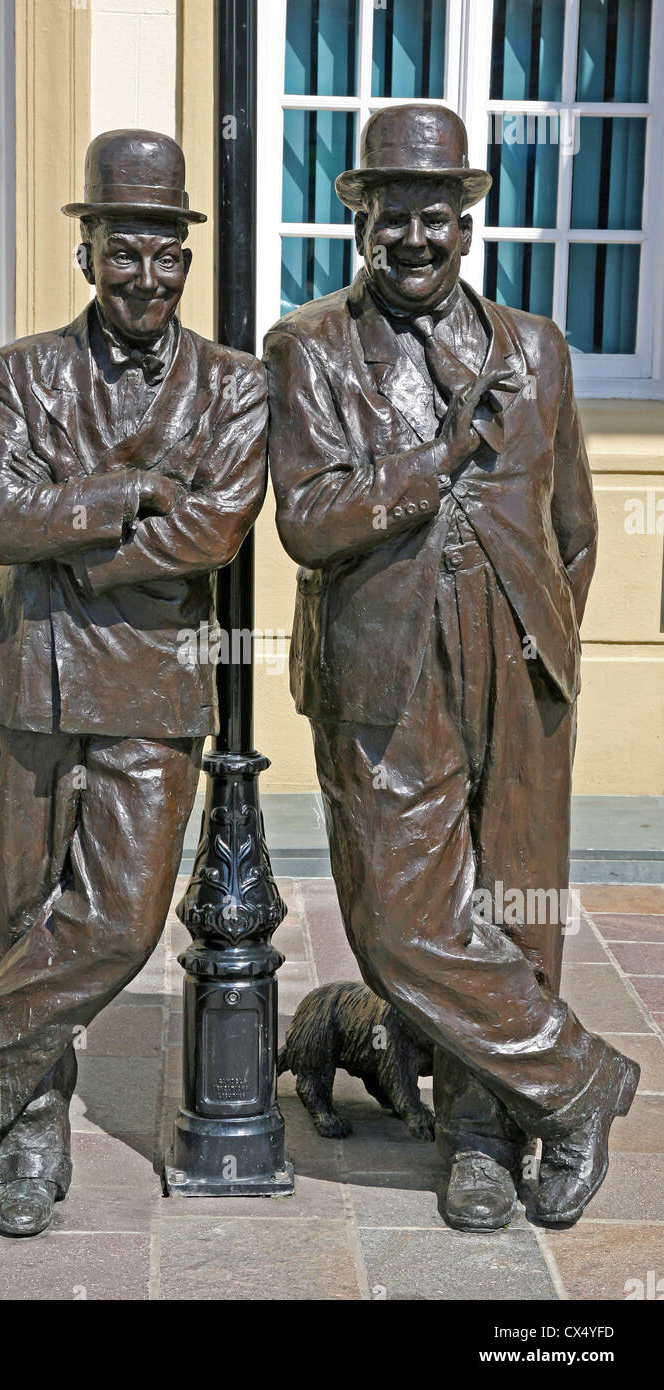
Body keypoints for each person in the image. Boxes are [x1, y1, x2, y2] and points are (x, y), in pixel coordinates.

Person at [264, 104, 638, 1232]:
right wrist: (434, 462)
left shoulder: (536, 349)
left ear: (465, 221)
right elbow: (313, 520)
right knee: (399, 920)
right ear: (358, 219)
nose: (413, 237)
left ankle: (482, 1134)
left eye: (434, 215)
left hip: (517, 660)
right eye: (390, 216)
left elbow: (570, 523)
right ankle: (578, 1084)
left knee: (518, 910)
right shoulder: (309, 349)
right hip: (384, 670)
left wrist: (536, 635)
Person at [0, 129, 267, 1237]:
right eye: (122, 251)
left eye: (165, 253)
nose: (144, 276)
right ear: (87, 251)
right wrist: (135, 490)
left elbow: (215, 532)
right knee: (12, 926)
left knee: (112, 922)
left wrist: (70, 524)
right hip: (22, 680)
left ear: (186, 259)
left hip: (154, 695)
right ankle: (27, 1126)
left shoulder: (236, 387)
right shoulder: (21, 371)